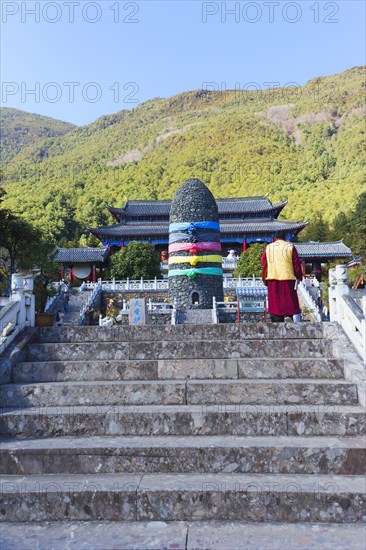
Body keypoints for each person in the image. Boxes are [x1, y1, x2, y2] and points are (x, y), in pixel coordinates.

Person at [261, 233, 303, 322]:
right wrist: (299, 276)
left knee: (276, 301)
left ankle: (276, 318)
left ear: (275, 238)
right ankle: (288, 316)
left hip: (273, 278)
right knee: (288, 300)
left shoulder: (269, 247)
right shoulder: (290, 247)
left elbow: (263, 261)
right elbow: (296, 264)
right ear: (285, 238)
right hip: (288, 278)